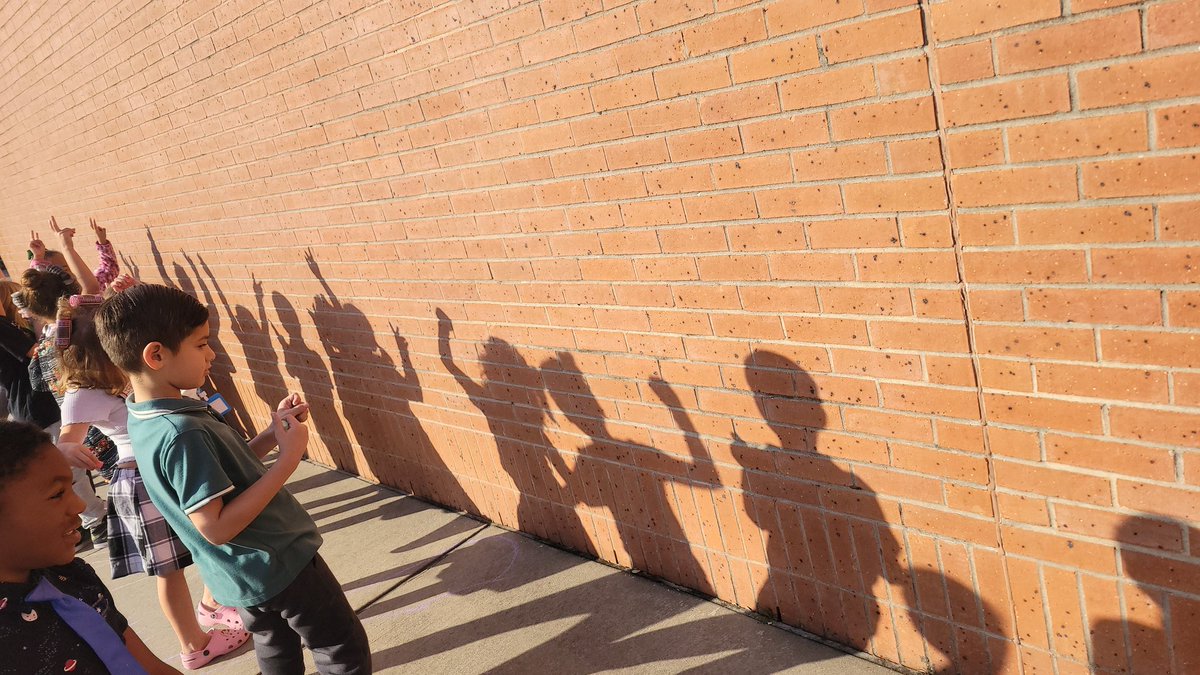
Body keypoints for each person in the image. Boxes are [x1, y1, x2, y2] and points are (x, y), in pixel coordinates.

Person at [94, 283, 371, 675]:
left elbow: (224, 472)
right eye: (201, 344)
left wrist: (272, 435)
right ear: (156, 355)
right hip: (278, 563)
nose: (212, 353)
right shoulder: (181, 431)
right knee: (341, 648)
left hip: (239, 579)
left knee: (277, 650)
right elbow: (216, 526)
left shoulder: (145, 415)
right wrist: (288, 460)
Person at [55, 294, 250, 669]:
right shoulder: (83, 393)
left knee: (210, 540)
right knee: (169, 570)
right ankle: (192, 643)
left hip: (170, 465)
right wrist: (67, 451)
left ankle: (212, 604)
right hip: (140, 480)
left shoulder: (133, 376)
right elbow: (66, 440)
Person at [0, 420, 178, 674]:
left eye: (72, 488)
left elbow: (147, 665)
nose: (80, 506)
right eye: (56, 494)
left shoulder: (73, 577)